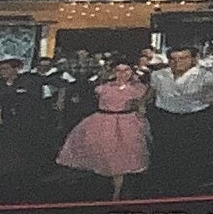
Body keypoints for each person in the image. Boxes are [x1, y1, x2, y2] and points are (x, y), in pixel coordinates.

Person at [55, 59, 151, 200]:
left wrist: (140, 108)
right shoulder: (103, 87)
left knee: (124, 156)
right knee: (104, 153)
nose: (122, 74)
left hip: (127, 123)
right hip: (104, 122)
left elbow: (144, 103)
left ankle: (119, 191)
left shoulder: (138, 88)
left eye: (126, 70)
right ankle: (104, 189)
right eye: (118, 71)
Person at [145, 45, 213, 192]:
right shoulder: (158, 74)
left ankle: (192, 186)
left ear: (193, 59)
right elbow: (151, 92)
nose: (177, 62)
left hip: (194, 119)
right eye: (173, 59)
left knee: (193, 154)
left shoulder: (205, 75)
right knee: (166, 153)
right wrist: (141, 105)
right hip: (167, 118)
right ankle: (167, 187)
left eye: (183, 58)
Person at [0, 58, 55, 172]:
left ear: (16, 69)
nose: (2, 72)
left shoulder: (30, 81)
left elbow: (42, 97)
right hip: (6, 124)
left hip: (31, 122)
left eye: (5, 69)